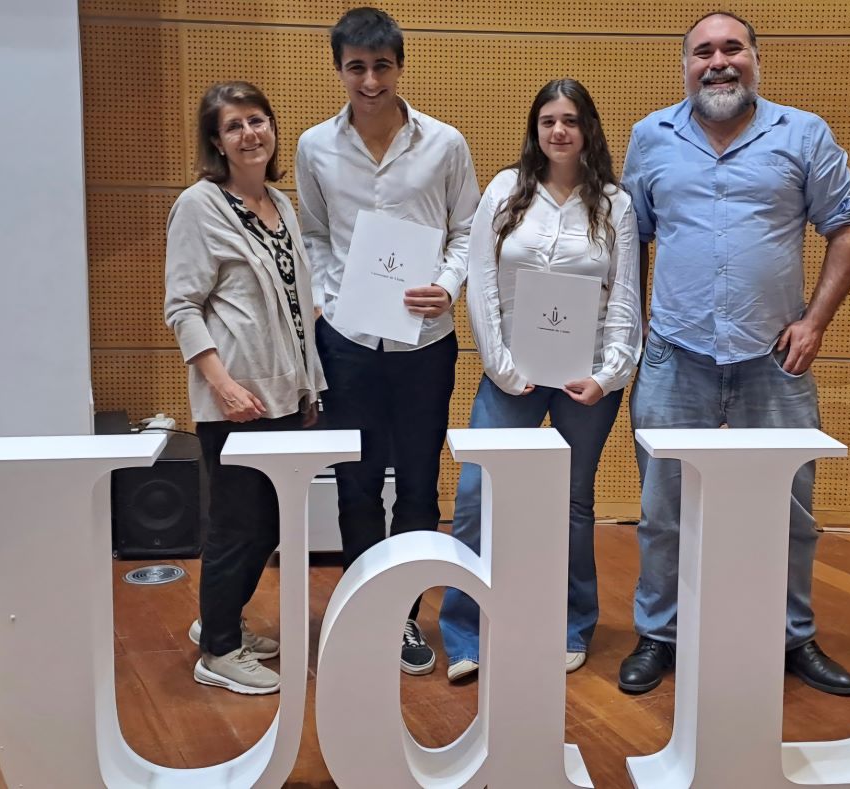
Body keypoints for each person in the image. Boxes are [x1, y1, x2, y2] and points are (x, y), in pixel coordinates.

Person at [619, 11, 850, 695]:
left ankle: (792, 635)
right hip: (675, 356)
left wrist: (815, 322)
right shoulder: (650, 137)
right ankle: (659, 633)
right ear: (685, 67)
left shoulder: (804, 133)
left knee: (790, 509)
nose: (718, 62)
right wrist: (635, 328)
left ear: (757, 59)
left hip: (775, 360)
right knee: (663, 510)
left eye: (733, 49)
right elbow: (631, 237)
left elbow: (846, 226)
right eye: (703, 52)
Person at [295, 7, 480, 676]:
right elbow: (313, 234)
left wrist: (448, 286)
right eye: (356, 68)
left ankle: (403, 611)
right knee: (356, 481)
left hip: (425, 341)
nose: (370, 81)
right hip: (347, 340)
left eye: (381, 67)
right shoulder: (315, 146)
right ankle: (363, 606)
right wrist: (328, 299)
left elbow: (468, 230)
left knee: (420, 485)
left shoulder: (445, 143)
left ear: (400, 67)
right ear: (339, 69)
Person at [437, 79, 642, 682]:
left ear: (588, 130)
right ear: (535, 129)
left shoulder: (615, 205)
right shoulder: (505, 190)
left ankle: (571, 625)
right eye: (548, 120)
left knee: (573, 504)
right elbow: (482, 282)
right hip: (512, 375)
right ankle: (466, 632)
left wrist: (608, 375)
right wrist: (502, 366)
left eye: (571, 120)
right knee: (476, 495)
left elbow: (624, 295)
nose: (559, 130)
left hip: (587, 379)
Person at [164, 81, 326, 695]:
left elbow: (296, 304)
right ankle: (218, 651)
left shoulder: (280, 204)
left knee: (268, 523)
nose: (249, 134)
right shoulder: (199, 205)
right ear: (216, 141)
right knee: (237, 525)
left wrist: (310, 387)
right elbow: (183, 306)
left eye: (257, 120)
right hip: (236, 400)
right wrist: (223, 386)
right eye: (234, 126)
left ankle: (220, 621)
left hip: (284, 394)